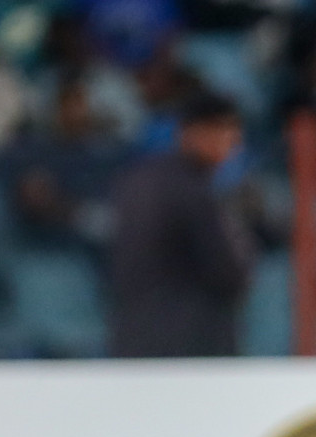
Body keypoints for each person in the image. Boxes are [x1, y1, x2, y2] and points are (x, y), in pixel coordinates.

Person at [106, 91, 253, 357]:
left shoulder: (139, 180)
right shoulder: (192, 190)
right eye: (224, 130)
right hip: (190, 344)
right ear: (194, 132)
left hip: (133, 337)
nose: (233, 141)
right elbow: (229, 272)